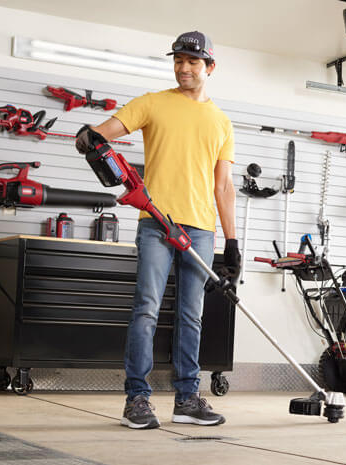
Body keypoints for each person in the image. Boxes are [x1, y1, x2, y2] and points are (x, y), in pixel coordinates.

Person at [75, 31, 240, 429]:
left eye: (193, 62)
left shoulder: (221, 122)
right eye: (178, 60)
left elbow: (222, 186)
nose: (184, 68)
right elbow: (103, 132)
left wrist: (232, 243)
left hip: (200, 229)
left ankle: (186, 399)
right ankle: (137, 399)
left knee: (191, 317)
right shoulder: (153, 103)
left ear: (210, 67)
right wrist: (89, 139)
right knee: (146, 310)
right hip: (155, 221)